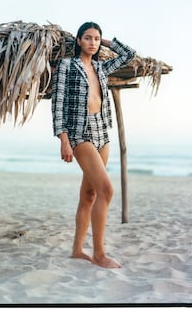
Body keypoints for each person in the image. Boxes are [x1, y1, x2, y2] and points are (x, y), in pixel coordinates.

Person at [52, 22, 136, 268]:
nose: (92, 42)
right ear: (78, 41)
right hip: (80, 133)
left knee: (88, 194)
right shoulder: (67, 66)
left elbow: (129, 54)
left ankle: (77, 250)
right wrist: (63, 140)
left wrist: (108, 42)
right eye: (87, 38)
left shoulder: (101, 66)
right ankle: (99, 254)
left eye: (96, 39)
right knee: (106, 190)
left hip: (102, 131)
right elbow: (57, 106)